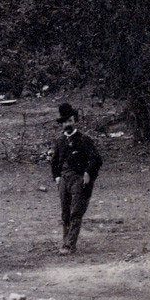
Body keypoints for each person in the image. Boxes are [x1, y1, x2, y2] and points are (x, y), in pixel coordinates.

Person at [50, 103, 102, 255]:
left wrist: (88, 173)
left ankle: (70, 245)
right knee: (65, 213)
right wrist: (57, 177)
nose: (67, 124)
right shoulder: (60, 141)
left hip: (79, 180)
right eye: (65, 122)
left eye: (70, 121)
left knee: (76, 212)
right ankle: (65, 241)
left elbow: (96, 159)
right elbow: (54, 162)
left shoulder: (84, 139)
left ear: (75, 121)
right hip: (64, 181)